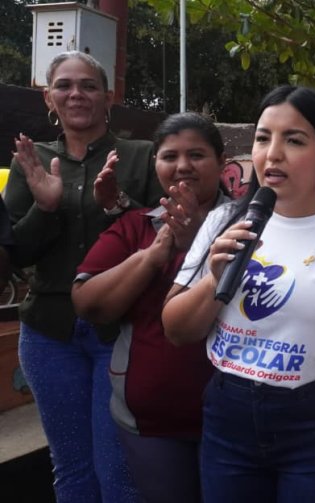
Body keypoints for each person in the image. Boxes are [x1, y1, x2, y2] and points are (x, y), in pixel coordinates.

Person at [162, 85, 315, 503]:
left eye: (294, 140)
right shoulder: (224, 221)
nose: (273, 154)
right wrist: (213, 279)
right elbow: (176, 329)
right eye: (263, 138)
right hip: (228, 418)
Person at [6, 50, 163, 502]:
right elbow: (17, 253)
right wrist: (45, 207)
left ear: (107, 97)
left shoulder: (141, 157)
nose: (76, 94)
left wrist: (119, 205)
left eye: (88, 85)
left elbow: (164, 239)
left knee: (118, 472)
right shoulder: (31, 161)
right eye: (64, 85)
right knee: (72, 470)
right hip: (49, 334)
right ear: (48, 98)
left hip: (120, 331)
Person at [71, 113, 231, 503]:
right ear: (155, 163)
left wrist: (200, 241)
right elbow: (88, 304)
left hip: (238, 418)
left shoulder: (253, 225)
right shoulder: (135, 226)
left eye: (197, 155)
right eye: (170, 156)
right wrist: (153, 254)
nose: (183, 166)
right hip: (152, 420)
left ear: (221, 163)